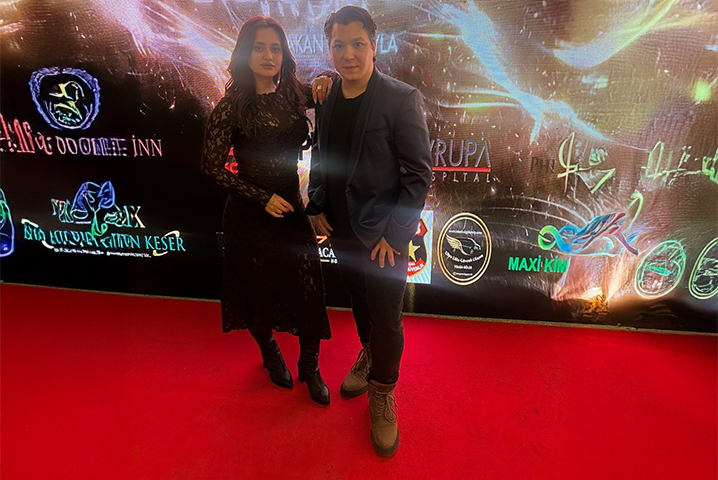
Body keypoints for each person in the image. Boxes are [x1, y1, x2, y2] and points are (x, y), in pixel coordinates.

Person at [307, 6, 432, 455]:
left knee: (386, 316)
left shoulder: (401, 97)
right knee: (360, 302)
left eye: (358, 44)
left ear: (374, 46)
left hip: (384, 238)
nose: (348, 54)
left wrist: (395, 235)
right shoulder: (326, 96)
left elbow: (418, 174)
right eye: (338, 45)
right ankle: (369, 354)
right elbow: (321, 156)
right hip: (341, 229)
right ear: (329, 48)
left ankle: (382, 391)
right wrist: (316, 203)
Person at [201, 16, 335, 405]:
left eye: (275, 48)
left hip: (292, 210)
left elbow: (330, 85)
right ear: (246, 52)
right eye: (259, 47)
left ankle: (310, 366)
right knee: (255, 293)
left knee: (309, 289)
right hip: (248, 216)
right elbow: (210, 167)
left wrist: (326, 76)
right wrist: (261, 197)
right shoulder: (231, 106)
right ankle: (271, 353)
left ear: (284, 54)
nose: (268, 55)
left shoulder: (294, 94)